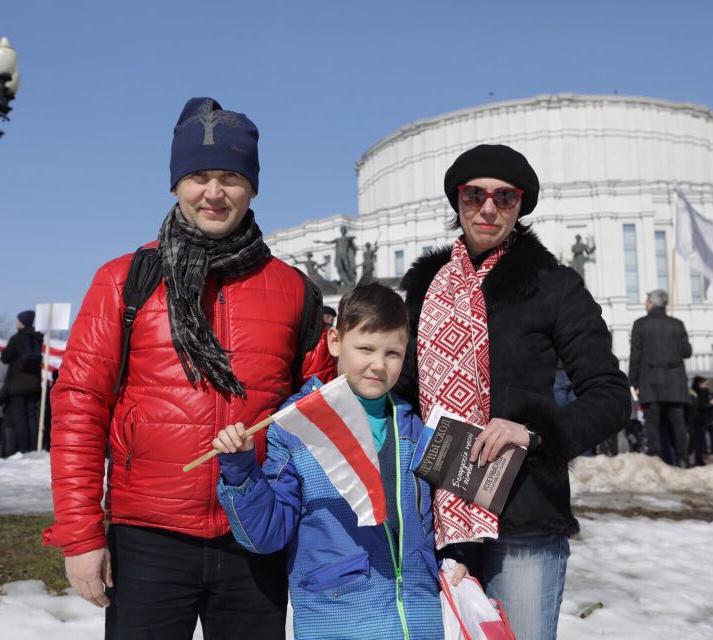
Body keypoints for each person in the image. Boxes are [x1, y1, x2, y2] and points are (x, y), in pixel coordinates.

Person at [43, 97, 334, 640]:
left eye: (231, 177)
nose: (214, 193)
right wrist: (81, 537)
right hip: (149, 537)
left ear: (253, 186)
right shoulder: (124, 280)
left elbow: (316, 417)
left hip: (254, 536)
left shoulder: (295, 291)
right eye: (199, 176)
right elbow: (79, 409)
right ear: (176, 183)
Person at [395, 144, 629, 640]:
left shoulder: (553, 286)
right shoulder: (426, 288)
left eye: (505, 198)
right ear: (456, 200)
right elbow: (406, 387)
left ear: (521, 205)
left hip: (522, 515)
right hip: (434, 512)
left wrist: (532, 433)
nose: (487, 208)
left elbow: (610, 395)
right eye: (474, 194)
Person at [213, 283, 463, 640]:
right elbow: (268, 534)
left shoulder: (414, 428)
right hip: (337, 621)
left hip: (420, 622)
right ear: (335, 342)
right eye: (365, 349)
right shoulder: (297, 427)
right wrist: (240, 472)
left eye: (393, 352)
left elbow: (443, 517)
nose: (379, 365)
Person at [629, 289, 693, 467]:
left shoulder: (640, 324)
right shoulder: (677, 324)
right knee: (677, 424)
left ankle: (656, 461)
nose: (645, 303)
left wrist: (632, 381)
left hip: (650, 381)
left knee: (653, 423)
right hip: (675, 383)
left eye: (646, 300)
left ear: (651, 303)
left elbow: (636, 355)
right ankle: (682, 459)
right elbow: (687, 352)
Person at [0, 310, 44, 453]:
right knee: (32, 416)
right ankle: (33, 447)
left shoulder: (17, 338)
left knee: (20, 418)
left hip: (17, 385)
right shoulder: (37, 338)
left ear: (23, 322)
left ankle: (23, 448)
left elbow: (5, 357)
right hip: (33, 384)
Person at [688, 376, 713, 466]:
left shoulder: (695, 392)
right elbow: (701, 406)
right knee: (698, 441)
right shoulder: (699, 393)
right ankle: (698, 459)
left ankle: (698, 458)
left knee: (698, 441)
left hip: (697, 420)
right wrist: (710, 404)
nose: (707, 386)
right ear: (700, 384)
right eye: (706, 384)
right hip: (698, 420)